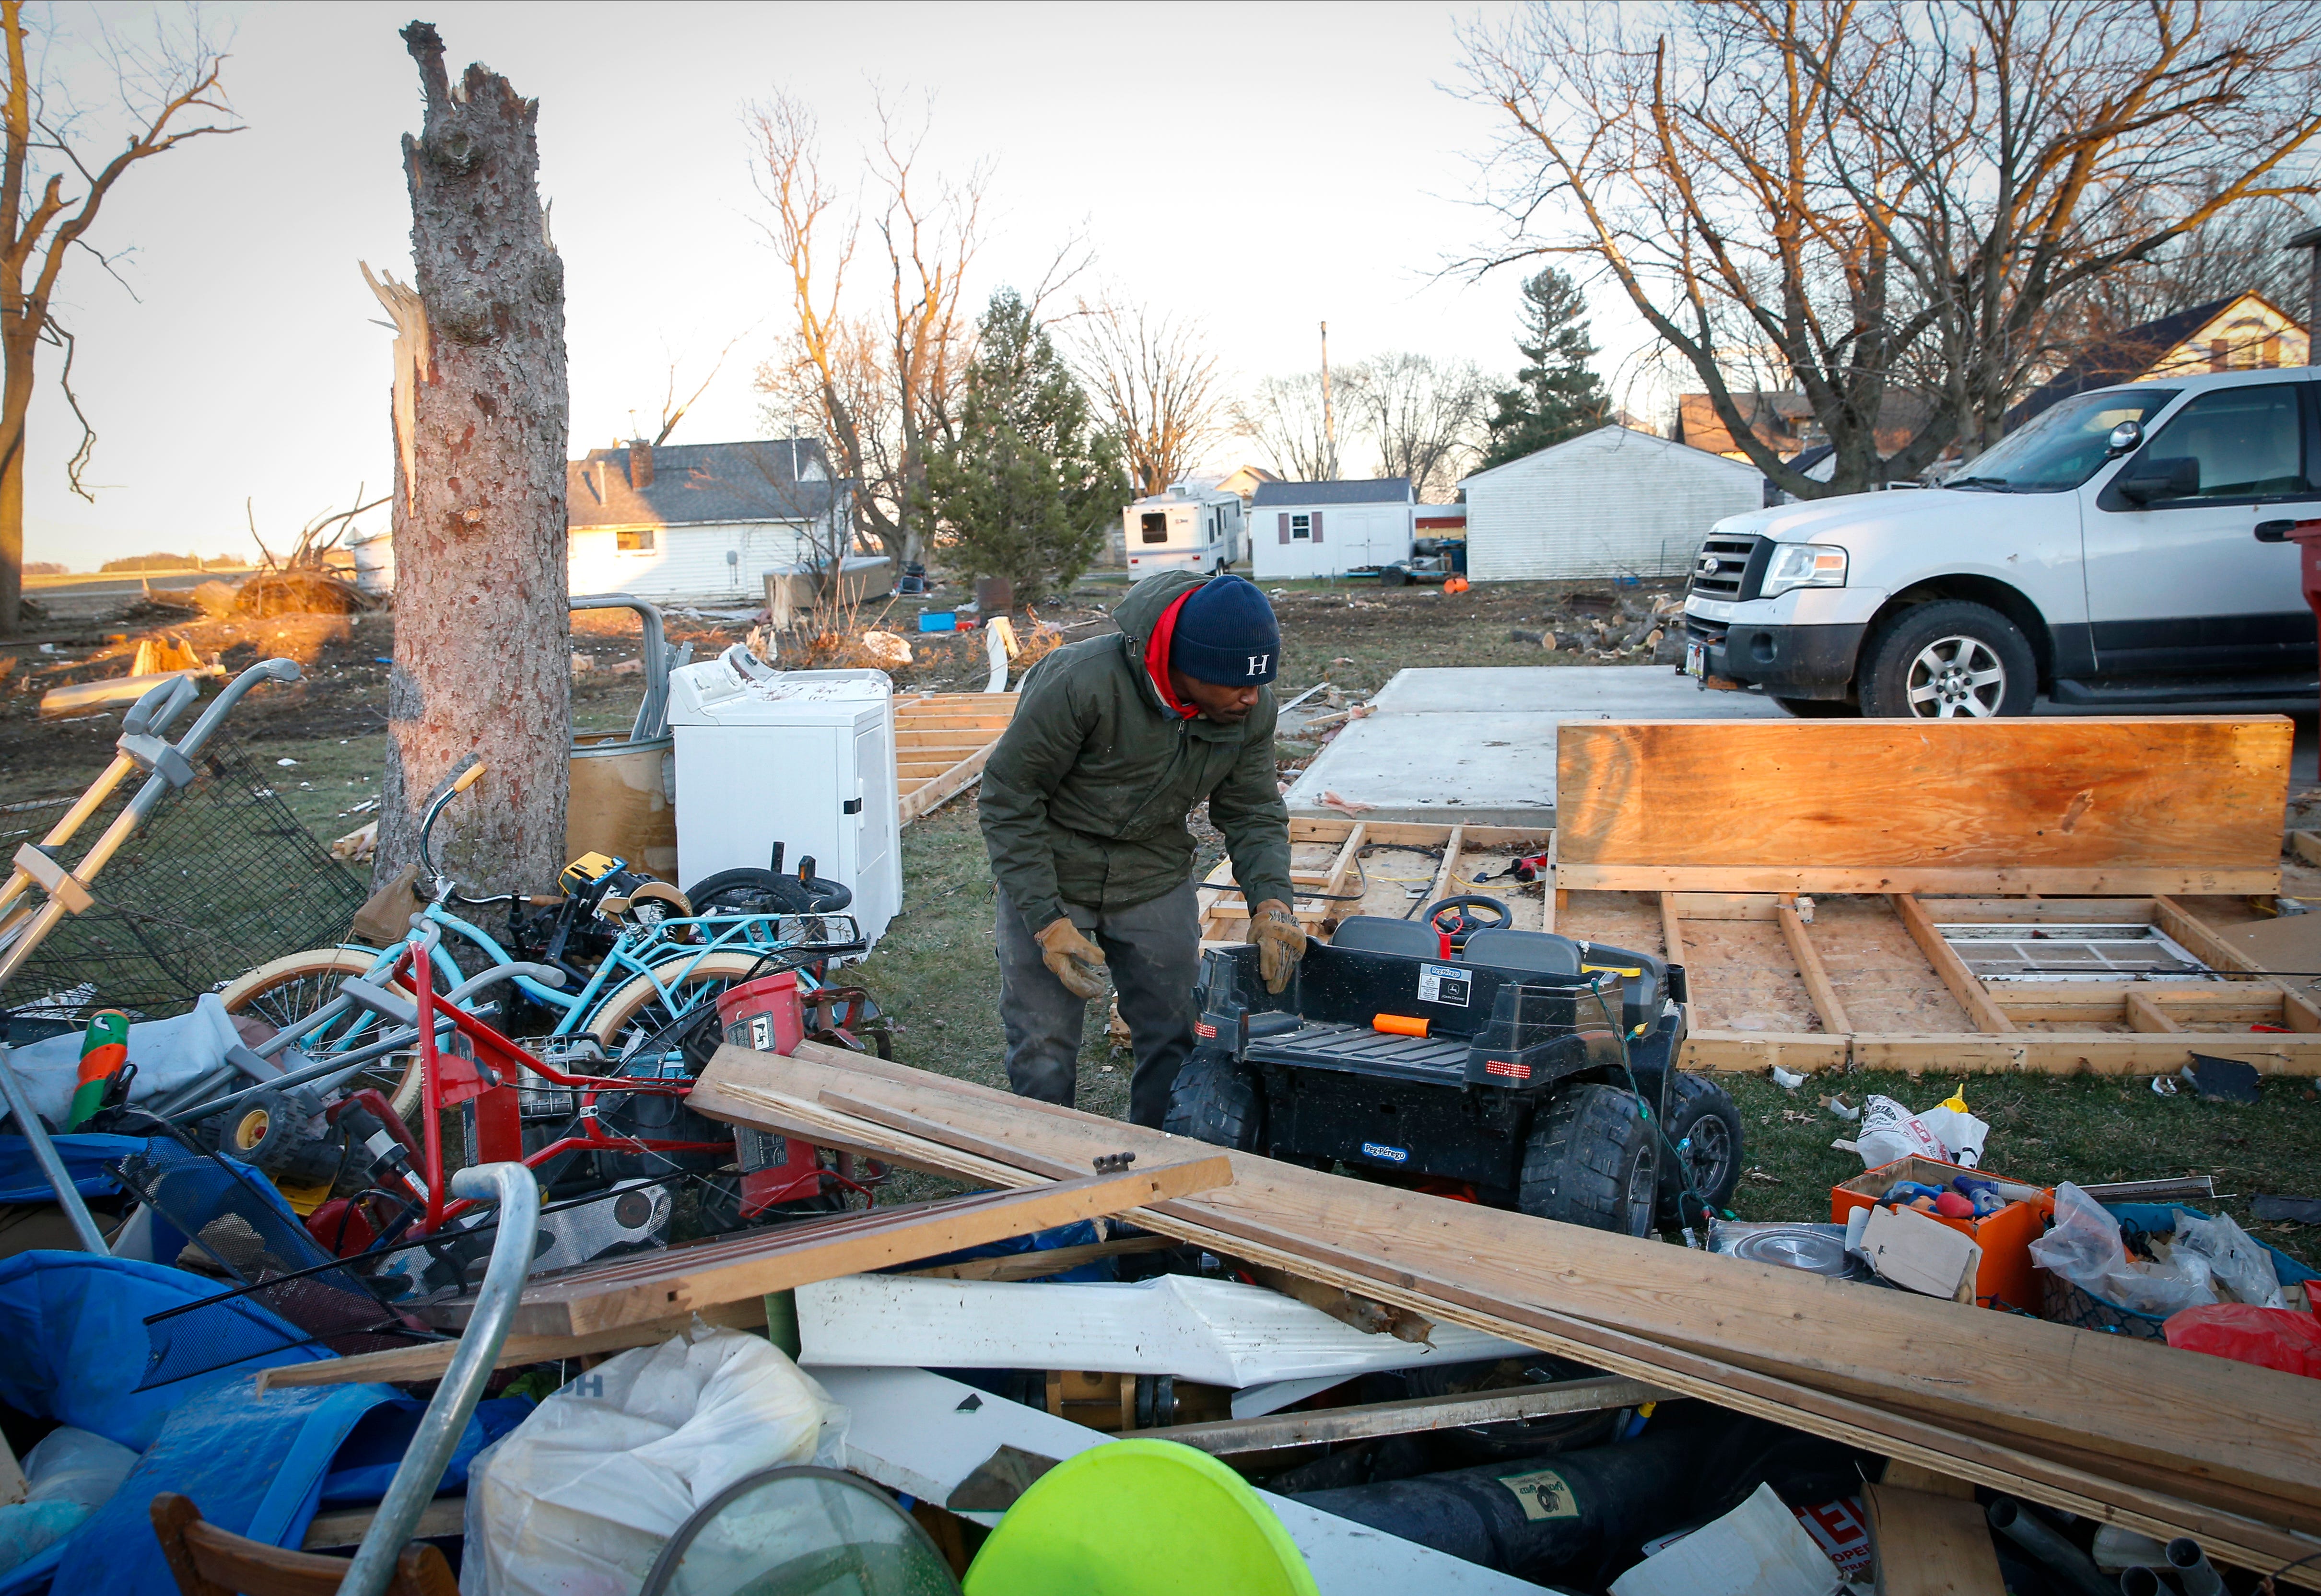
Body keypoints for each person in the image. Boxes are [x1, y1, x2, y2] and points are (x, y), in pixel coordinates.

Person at [980, 570, 1307, 1127]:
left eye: (1259, 681)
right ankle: (1048, 1180)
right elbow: (1010, 798)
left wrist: (1272, 903)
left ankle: (1155, 1176)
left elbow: (1252, 810)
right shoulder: (1081, 681)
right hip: (1053, 868)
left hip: (1153, 870)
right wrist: (1045, 918)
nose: (1250, 696)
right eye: (1232, 681)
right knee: (1042, 1043)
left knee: (1175, 1031)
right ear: (1184, 663)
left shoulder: (1249, 707)